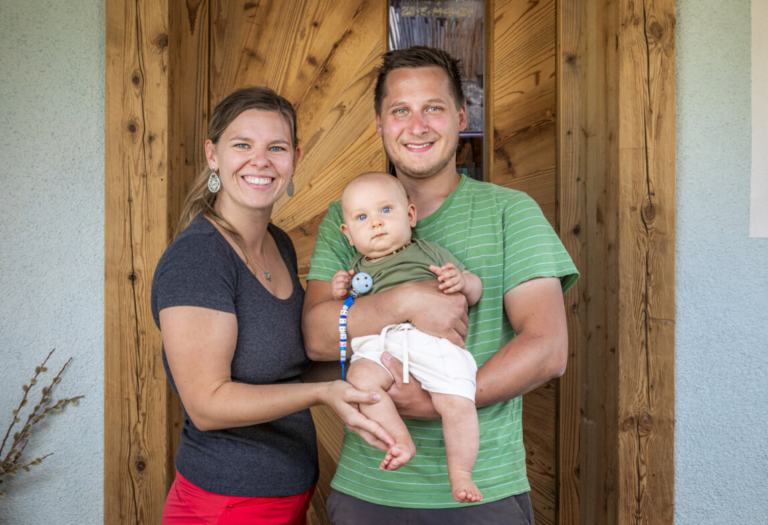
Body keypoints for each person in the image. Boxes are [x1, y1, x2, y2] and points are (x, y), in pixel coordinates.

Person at [302, 46, 579, 523]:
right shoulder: (346, 218)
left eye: (433, 107)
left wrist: (440, 402)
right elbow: (317, 336)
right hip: (370, 490)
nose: (417, 126)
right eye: (400, 111)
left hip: (484, 492)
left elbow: (548, 349)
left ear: (461, 117)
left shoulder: (510, 211)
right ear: (379, 124)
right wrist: (407, 300)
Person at [151, 87, 394, 525]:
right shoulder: (198, 259)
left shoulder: (277, 243)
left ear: (294, 159)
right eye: (242, 145)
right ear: (212, 155)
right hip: (225, 505)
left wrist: (384, 359)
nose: (260, 161)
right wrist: (323, 394)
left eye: (276, 148)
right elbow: (207, 405)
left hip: (284, 498)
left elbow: (288, 368)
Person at [331, 171, 484, 503]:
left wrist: (462, 282)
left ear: (410, 215)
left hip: (430, 339)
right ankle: (400, 440)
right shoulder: (357, 267)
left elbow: (474, 288)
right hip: (381, 341)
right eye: (362, 217)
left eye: (386, 210)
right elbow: (348, 313)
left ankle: (461, 473)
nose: (376, 223)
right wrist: (340, 291)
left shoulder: (429, 252)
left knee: (457, 401)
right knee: (360, 380)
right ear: (348, 234)